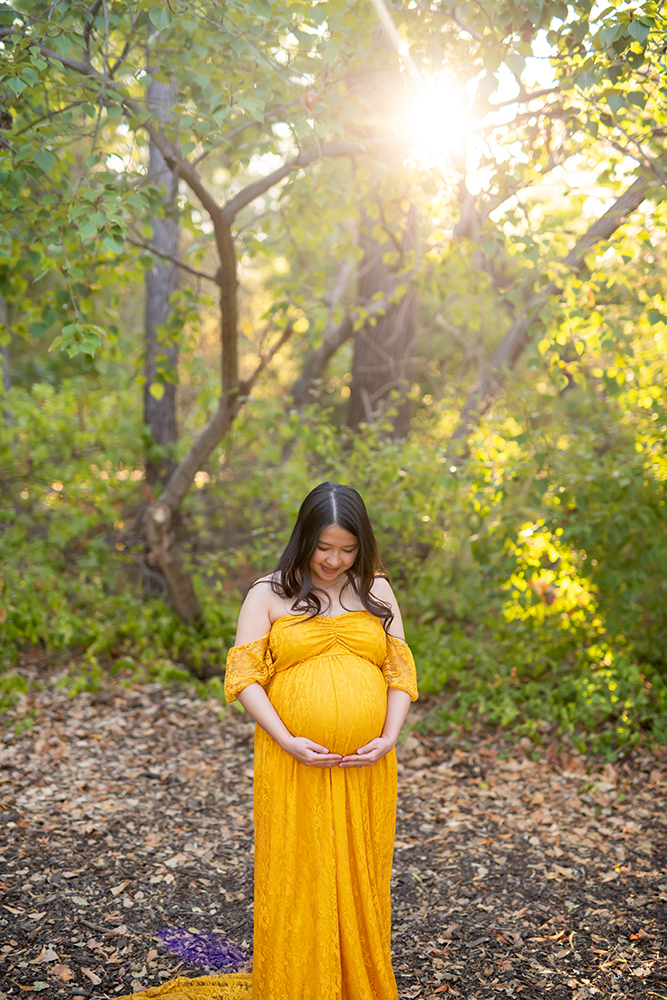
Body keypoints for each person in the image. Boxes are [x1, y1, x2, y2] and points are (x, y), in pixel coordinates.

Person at [123, 482, 417, 1000]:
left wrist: (389, 736)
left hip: (365, 762)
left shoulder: (376, 590)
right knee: (302, 870)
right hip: (294, 758)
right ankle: (300, 983)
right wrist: (285, 738)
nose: (334, 559)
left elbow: (398, 670)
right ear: (304, 538)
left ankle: (352, 983)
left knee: (358, 871)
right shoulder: (269, 592)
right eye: (324, 547)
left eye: (347, 549)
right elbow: (244, 677)